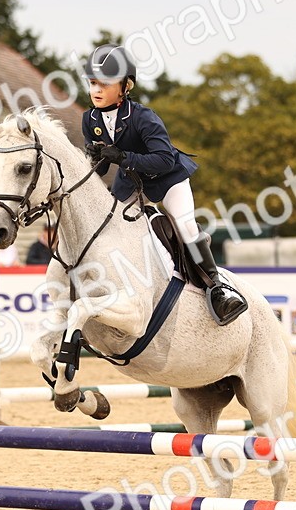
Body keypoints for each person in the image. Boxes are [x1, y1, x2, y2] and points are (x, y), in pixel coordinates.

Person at [80, 44, 247, 326]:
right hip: (131, 182)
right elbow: (104, 167)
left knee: (185, 225)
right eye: (93, 83)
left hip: (167, 180)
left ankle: (216, 288)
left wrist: (123, 156)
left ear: (125, 86)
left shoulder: (144, 117)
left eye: (105, 84)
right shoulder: (90, 119)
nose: (96, 90)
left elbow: (164, 160)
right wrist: (95, 157)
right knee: (109, 225)